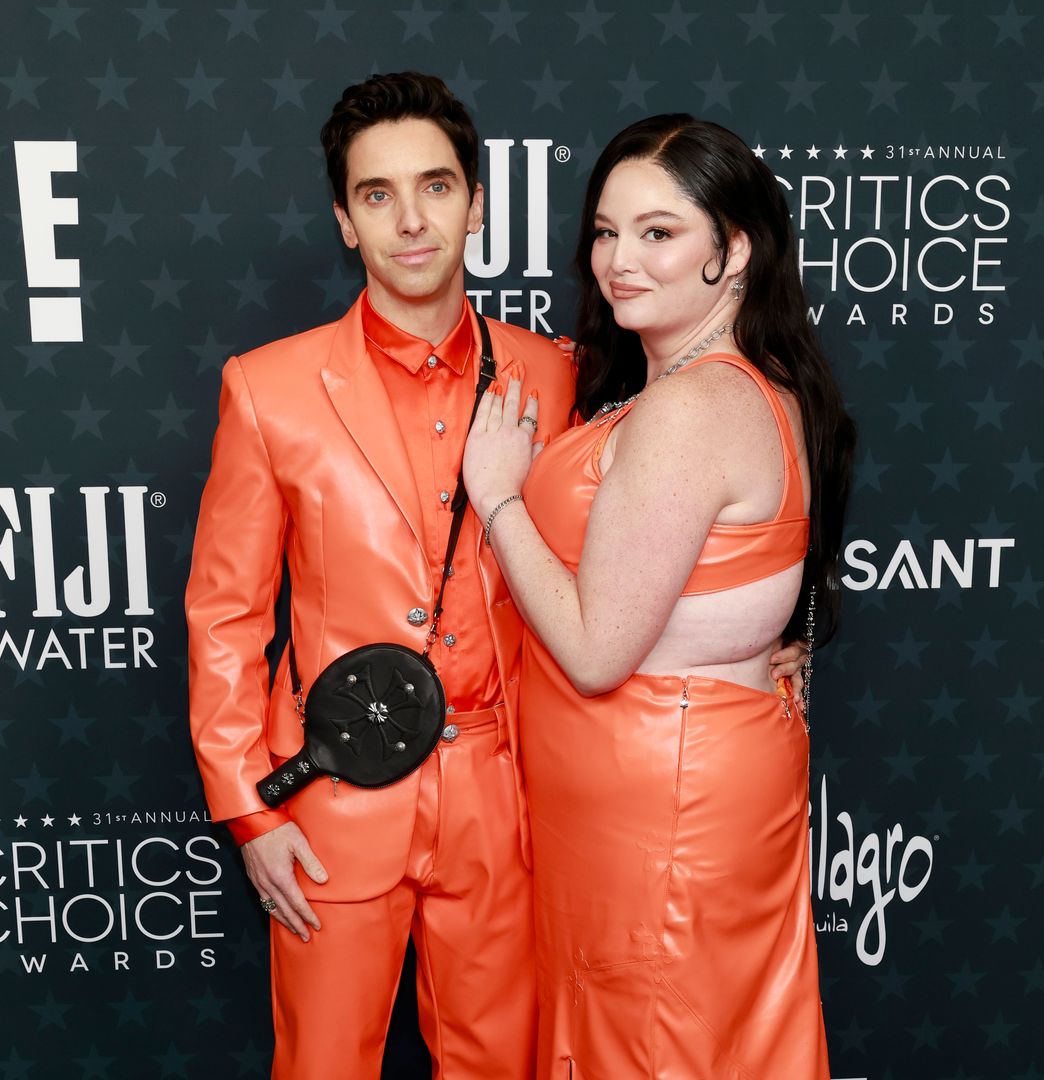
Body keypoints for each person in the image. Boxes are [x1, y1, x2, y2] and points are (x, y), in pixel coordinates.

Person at [187, 72, 810, 1077]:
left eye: (435, 186)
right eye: (377, 194)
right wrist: (250, 809)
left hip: (514, 799)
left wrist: (765, 630)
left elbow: (674, 530)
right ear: (345, 221)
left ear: (477, 204)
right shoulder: (268, 389)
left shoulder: (563, 375)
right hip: (337, 794)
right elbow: (225, 615)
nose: (411, 220)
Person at [463, 114, 855, 1078]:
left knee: (651, 1044)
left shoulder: (691, 405)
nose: (619, 261)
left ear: (736, 250)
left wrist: (499, 495)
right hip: (678, 779)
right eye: (606, 231)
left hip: (660, 797)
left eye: (659, 232)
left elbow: (598, 653)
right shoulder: (748, 384)